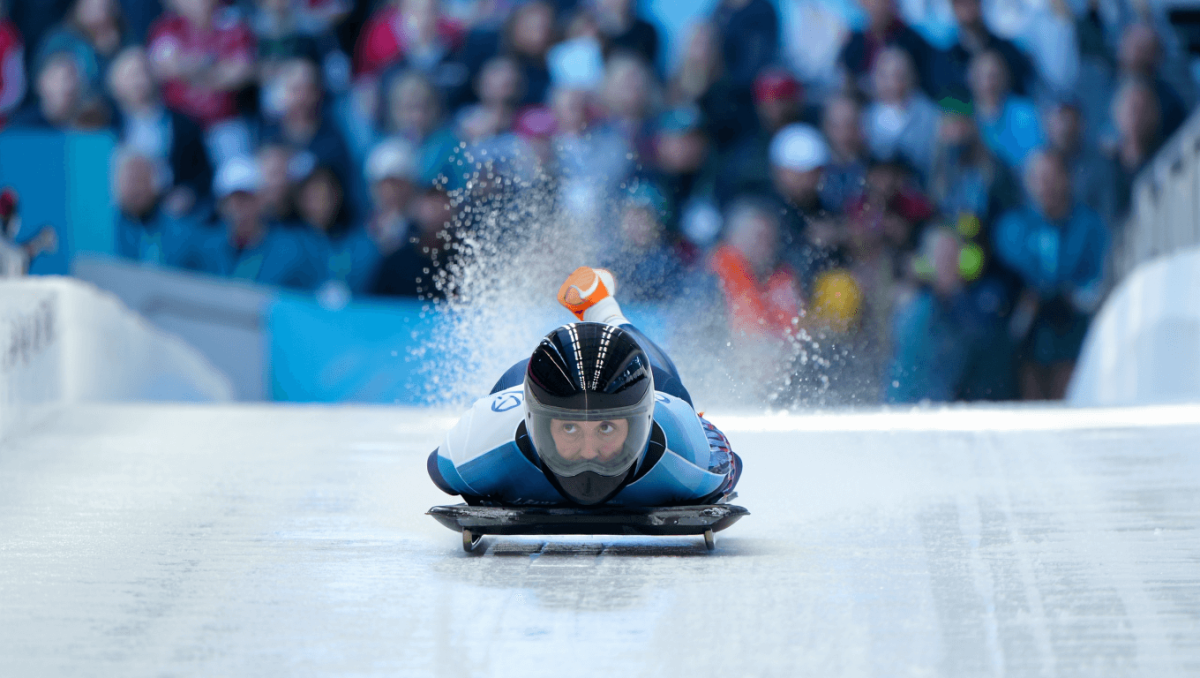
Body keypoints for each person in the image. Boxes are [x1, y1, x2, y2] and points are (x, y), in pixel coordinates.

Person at [428, 266, 742, 507]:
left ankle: (604, 309)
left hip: (655, 393)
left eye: (605, 428)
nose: (588, 454)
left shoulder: (684, 445)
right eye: (569, 429)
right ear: (536, 423)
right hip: (519, 391)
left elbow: (724, 460)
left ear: (642, 424)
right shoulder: (480, 444)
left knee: (675, 392)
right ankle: (601, 308)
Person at [993, 150, 1108, 400]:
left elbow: (1095, 278)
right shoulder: (1012, 226)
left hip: (1072, 322)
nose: (1046, 186)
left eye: (1052, 177)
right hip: (1028, 325)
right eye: (1039, 178)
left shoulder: (1089, 224)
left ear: (1066, 179)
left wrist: (1067, 295)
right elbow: (1013, 273)